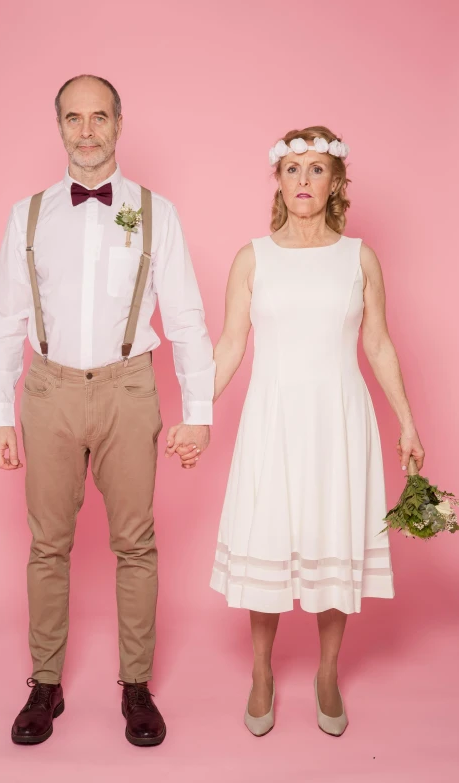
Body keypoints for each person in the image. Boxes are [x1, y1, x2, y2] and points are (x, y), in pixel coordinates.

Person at [0, 74, 214, 747]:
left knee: (135, 544)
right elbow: (4, 318)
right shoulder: (26, 215)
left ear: (119, 123)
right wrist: (0, 410)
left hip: (128, 388)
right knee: (47, 544)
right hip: (49, 391)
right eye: (74, 118)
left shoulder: (155, 212)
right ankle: (45, 682)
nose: (87, 131)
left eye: (99, 117)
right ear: (59, 125)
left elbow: (188, 317)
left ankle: (136, 685)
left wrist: (196, 408)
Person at [204, 126, 424, 737]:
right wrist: (197, 412)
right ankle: (261, 673)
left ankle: (328, 672)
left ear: (336, 183)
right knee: (269, 539)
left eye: (317, 170)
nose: (304, 181)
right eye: (293, 169)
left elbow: (377, 343)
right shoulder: (253, 257)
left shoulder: (359, 258)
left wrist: (407, 421)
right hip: (272, 419)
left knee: (333, 540)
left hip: (338, 420)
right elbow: (229, 345)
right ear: (278, 180)